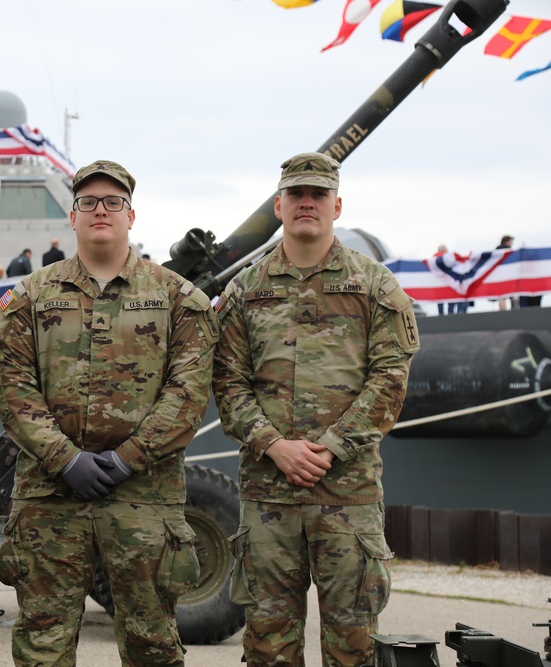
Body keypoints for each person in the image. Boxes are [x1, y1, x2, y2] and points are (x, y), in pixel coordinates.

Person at [0, 160, 219, 666]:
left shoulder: (178, 298)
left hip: (144, 496)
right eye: (88, 202)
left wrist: (126, 459)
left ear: (131, 216)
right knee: (42, 646)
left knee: (151, 644)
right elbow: (14, 389)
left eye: (112, 202)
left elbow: (188, 393)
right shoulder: (29, 299)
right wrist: (64, 459)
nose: (100, 211)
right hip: (50, 498)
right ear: (72, 217)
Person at [212, 152, 419, 667]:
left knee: (353, 646)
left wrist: (329, 448)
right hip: (268, 498)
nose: (308, 203)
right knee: (267, 645)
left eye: (319, 195)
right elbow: (227, 382)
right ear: (279, 206)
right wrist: (274, 446)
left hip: (347, 498)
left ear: (337, 205)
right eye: (298, 195)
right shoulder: (245, 290)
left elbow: (390, 381)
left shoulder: (376, 287)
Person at [497, 235, 515, 311]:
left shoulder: (496, 251)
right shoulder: (509, 251)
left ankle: (502, 312)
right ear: (507, 241)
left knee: (501, 296)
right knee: (512, 295)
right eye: (511, 241)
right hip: (508, 276)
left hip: (499, 276)